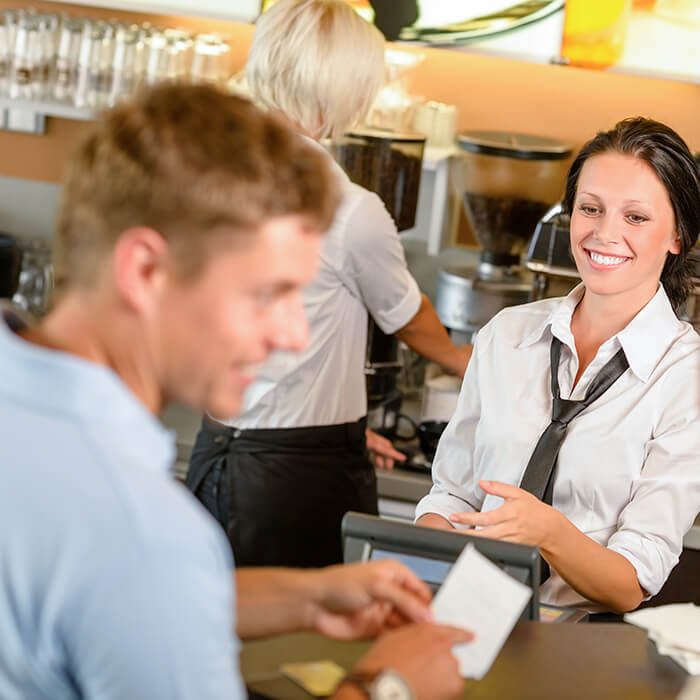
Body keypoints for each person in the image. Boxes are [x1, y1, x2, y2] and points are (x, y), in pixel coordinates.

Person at [0, 83, 473, 700]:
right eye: (265, 293)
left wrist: (306, 596)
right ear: (145, 271)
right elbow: (134, 568)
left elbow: (110, 600)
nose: (293, 331)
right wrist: (388, 687)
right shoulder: (142, 530)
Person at [185, 0, 471, 569]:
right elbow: (408, 318)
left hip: (219, 453)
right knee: (309, 647)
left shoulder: (210, 176)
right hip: (292, 483)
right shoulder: (349, 208)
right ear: (344, 89)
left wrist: (332, 424)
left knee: (219, 631)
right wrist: (475, 365)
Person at [416, 117, 700, 613]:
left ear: (677, 235)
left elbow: (632, 582)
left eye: (636, 217)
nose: (604, 234)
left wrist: (549, 532)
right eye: (590, 209)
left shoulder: (685, 378)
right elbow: (452, 495)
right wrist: (430, 576)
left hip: (576, 655)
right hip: (461, 620)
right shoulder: (506, 335)